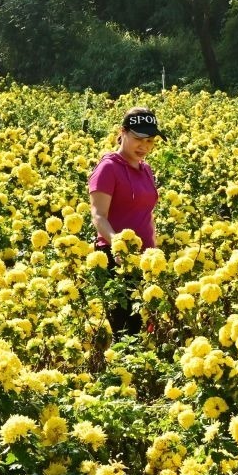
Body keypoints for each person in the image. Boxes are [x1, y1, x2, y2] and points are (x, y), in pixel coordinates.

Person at [88, 107, 164, 335]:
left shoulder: (146, 169)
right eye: (138, 139)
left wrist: (155, 253)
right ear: (122, 132)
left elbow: (147, 214)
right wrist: (118, 246)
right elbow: (98, 215)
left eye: (150, 141)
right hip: (115, 260)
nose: (145, 146)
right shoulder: (107, 168)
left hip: (145, 261)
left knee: (146, 329)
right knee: (126, 332)